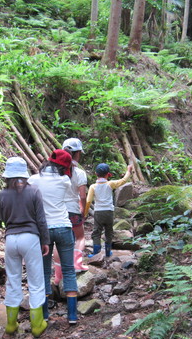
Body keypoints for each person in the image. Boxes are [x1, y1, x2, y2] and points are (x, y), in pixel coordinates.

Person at [0, 157, 50, 337]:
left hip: (11, 239)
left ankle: (11, 325)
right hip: (31, 237)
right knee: (36, 282)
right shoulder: (34, 191)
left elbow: (2, 218)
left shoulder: (2, 194)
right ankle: (37, 325)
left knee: (13, 280)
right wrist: (45, 240)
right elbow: (41, 220)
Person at [28, 149, 79, 324]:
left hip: (43, 230)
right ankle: (72, 315)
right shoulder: (65, 180)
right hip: (64, 227)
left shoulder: (34, 180)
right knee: (69, 270)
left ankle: (44, 315)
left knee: (44, 272)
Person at [52, 138, 88, 283]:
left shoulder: (55, 172)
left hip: (58, 211)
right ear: (77, 153)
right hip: (73, 210)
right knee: (80, 237)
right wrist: (83, 211)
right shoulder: (79, 173)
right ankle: (77, 263)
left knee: (57, 244)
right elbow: (83, 196)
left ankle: (58, 275)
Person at [84, 163, 134, 258]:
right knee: (109, 232)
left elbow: (88, 201)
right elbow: (123, 181)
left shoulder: (93, 187)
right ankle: (108, 252)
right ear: (107, 174)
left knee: (96, 232)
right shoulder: (110, 184)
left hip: (98, 212)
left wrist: (85, 213)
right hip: (109, 212)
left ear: (95, 173)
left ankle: (96, 253)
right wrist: (128, 171)